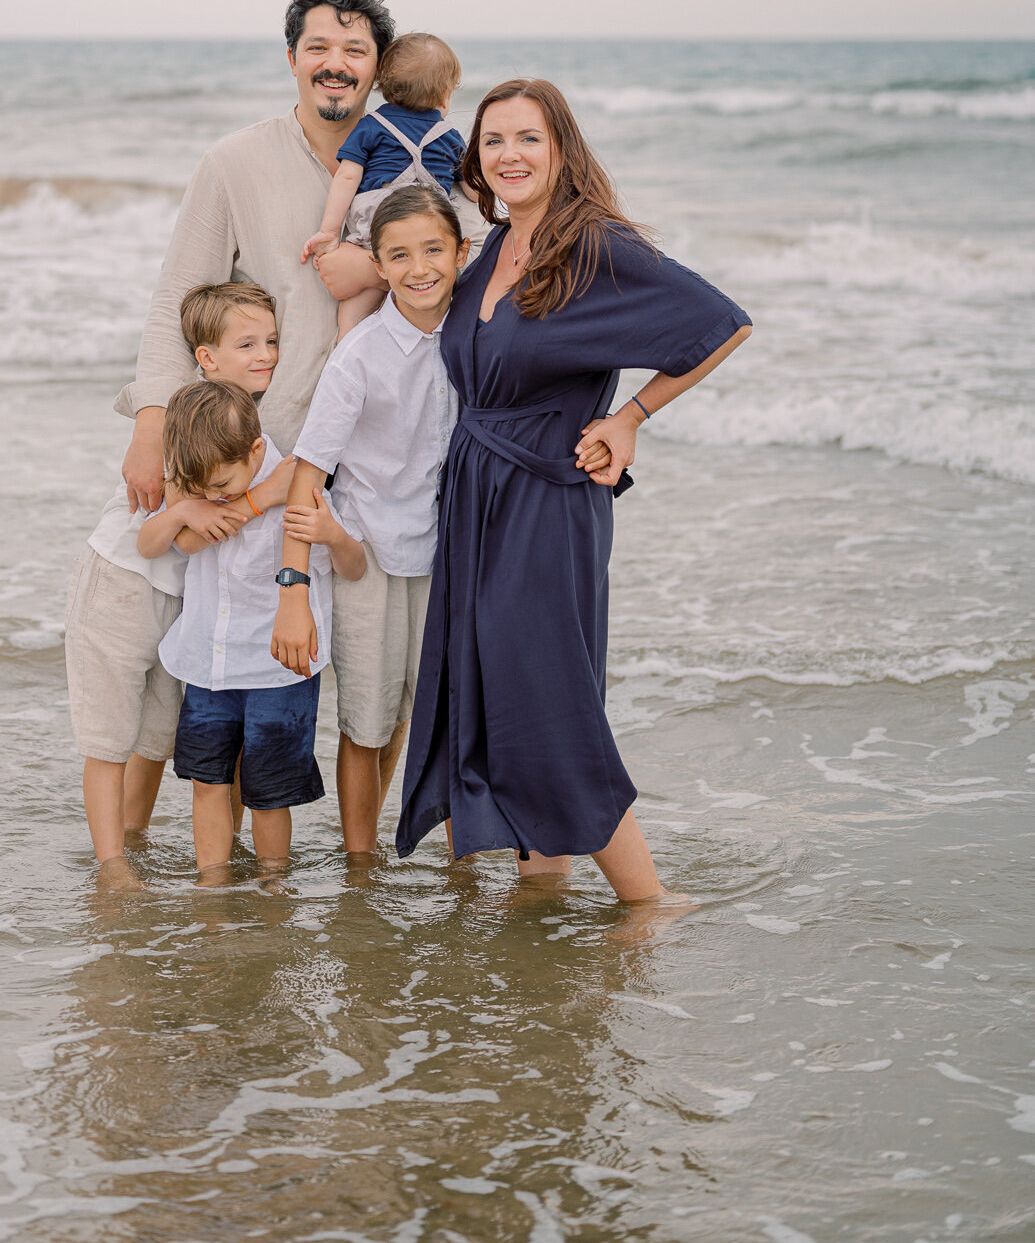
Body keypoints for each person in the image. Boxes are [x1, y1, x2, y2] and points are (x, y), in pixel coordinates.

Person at [395, 78, 753, 895]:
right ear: (475, 161)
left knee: (543, 690)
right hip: (476, 493)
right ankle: (542, 886)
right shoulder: (488, 249)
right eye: (492, 141)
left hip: (547, 498)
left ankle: (649, 902)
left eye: (527, 139)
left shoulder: (592, 244)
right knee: (491, 685)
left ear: (561, 150)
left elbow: (719, 321)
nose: (508, 155)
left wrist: (630, 418)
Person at [116, 0, 398, 514]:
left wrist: (373, 267)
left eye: (355, 50)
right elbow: (178, 296)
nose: (335, 64)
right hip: (256, 451)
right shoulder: (233, 161)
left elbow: (469, 264)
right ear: (292, 59)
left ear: (378, 68)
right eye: (318, 48)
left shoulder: (418, 164)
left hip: (381, 455)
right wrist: (151, 424)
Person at [66, 281, 286, 891]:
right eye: (247, 343)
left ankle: (132, 836)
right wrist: (192, 511)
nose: (265, 353)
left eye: (271, 340)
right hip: (123, 580)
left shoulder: (247, 419)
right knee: (110, 733)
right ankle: (112, 864)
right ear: (207, 358)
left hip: (182, 594)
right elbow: (155, 531)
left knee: (158, 733)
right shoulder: (187, 413)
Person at [276, 184, 469, 855]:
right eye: (399, 256)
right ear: (378, 268)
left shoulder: (476, 339)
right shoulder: (357, 355)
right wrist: (291, 593)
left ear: (460, 253)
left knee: (429, 717)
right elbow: (307, 476)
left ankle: (452, 861)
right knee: (367, 722)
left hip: (446, 552)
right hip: (365, 554)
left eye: (433, 250)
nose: (419, 268)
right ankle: (360, 867)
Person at [156, 380, 364, 876]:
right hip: (210, 662)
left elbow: (353, 567)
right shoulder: (205, 482)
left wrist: (334, 535)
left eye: (221, 486)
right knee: (207, 782)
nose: (211, 497)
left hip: (279, 669)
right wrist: (237, 499)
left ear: (254, 450)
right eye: (202, 490)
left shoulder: (302, 486)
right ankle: (212, 882)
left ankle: (274, 885)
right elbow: (183, 542)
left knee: (269, 793)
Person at [301, 33, 469, 338]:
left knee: (355, 306)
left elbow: (348, 177)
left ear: (383, 86)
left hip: (375, 226)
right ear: (444, 95)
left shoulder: (371, 126)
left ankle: (347, 346)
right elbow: (472, 188)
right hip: (429, 229)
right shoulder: (450, 136)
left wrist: (329, 231)